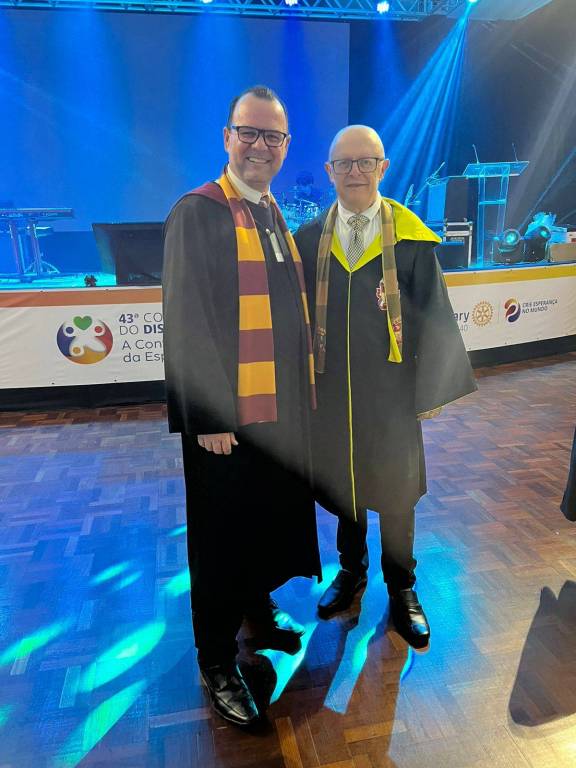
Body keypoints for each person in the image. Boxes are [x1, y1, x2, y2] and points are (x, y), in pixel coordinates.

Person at [162, 86, 321, 726]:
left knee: (263, 517)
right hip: (225, 418)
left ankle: (256, 609)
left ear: (286, 145)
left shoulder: (273, 213)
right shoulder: (198, 212)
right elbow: (186, 319)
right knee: (221, 536)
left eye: (272, 136)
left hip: (278, 409)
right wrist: (208, 415)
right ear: (227, 137)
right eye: (248, 132)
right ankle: (215, 657)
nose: (260, 146)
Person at [294, 126, 477, 649]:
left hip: (392, 391)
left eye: (365, 162)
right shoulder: (310, 239)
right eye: (344, 163)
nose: (354, 172)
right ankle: (351, 571)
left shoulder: (410, 238)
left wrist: (430, 389)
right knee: (345, 483)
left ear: (383, 167)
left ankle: (402, 587)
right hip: (332, 390)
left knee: (396, 492)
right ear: (329, 171)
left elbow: (434, 314)